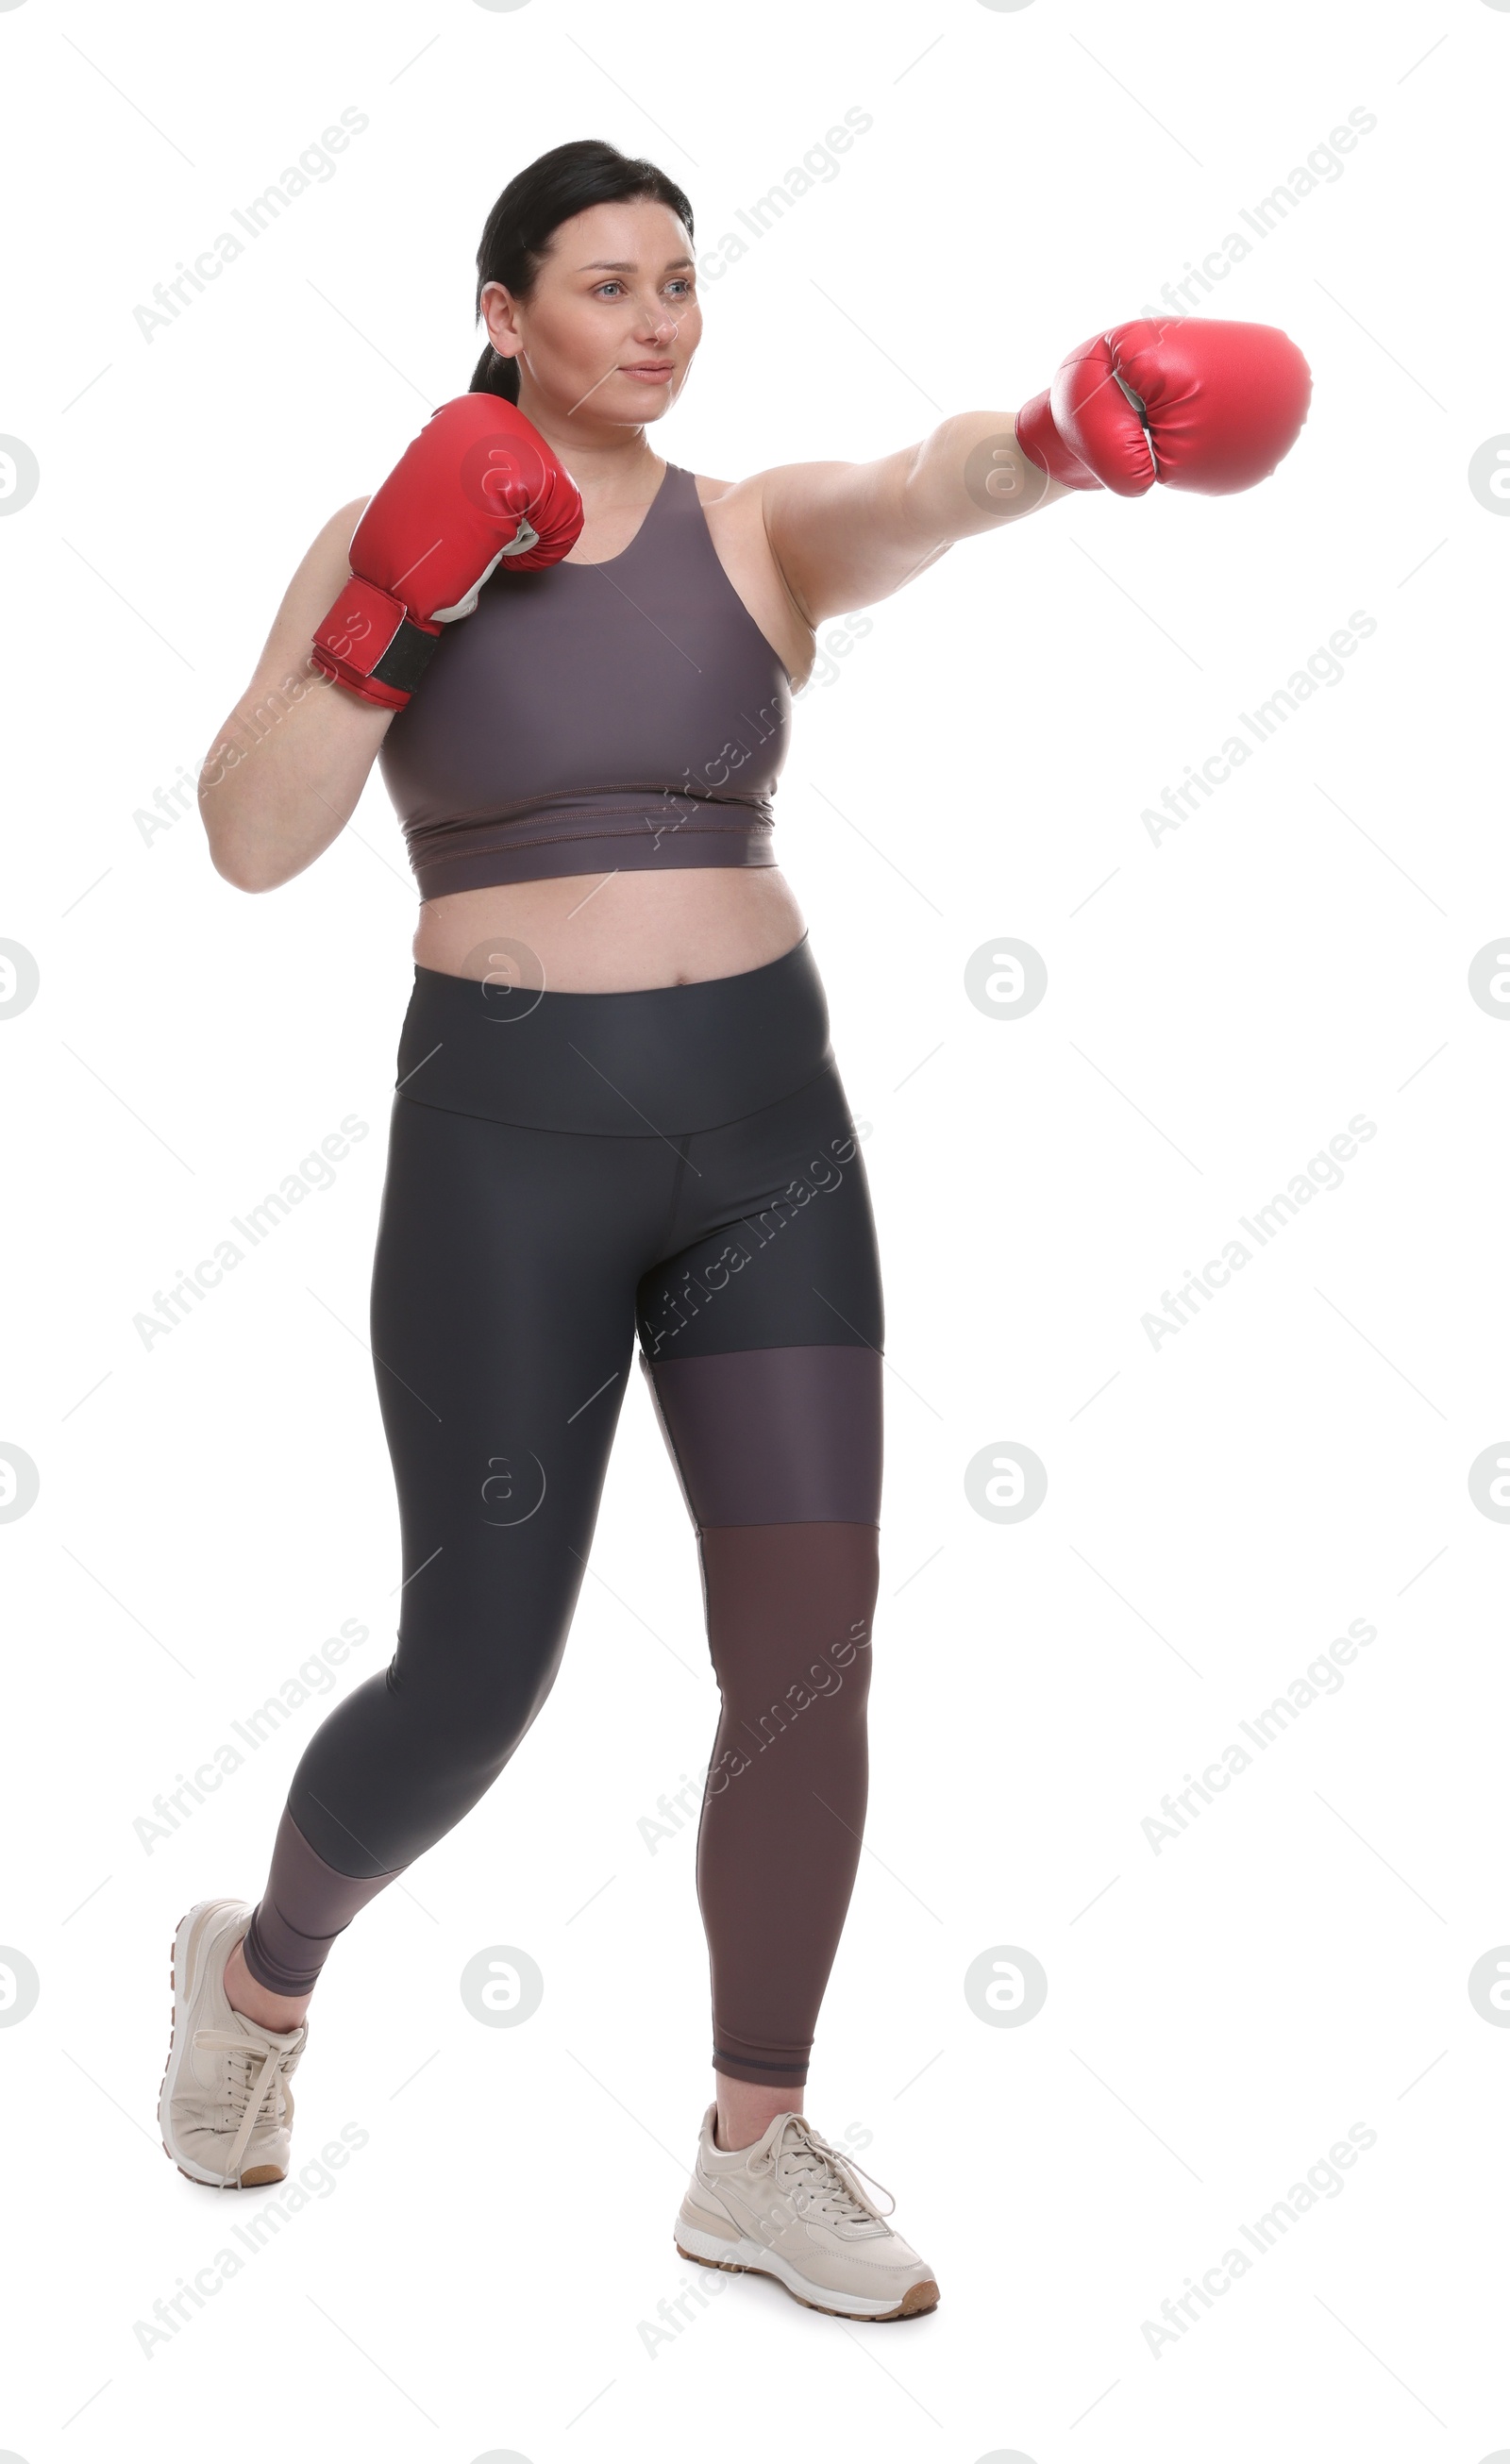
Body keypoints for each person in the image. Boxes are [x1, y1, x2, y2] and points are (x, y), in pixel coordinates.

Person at [157, 137, 1310, 2323]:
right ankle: (258, 1971)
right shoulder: (391, 528)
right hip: (507, 1151)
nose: (659, 319)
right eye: (606, 283)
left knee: (804, 1656)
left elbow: (917, 487)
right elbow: (246, 840)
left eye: (682, 277)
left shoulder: (749, 527)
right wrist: (389, 607)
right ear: (502, 311)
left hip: (762, 1136)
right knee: (476, 1679)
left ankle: (751, 2143)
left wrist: (1056, 443)